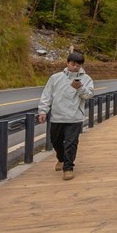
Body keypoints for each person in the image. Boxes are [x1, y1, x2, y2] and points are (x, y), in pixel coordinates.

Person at [37, 51, 94, 180]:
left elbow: (89, 95)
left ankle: (68, 168)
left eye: (78, 65)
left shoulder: (86, 79)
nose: (75, 67)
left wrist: (79, 88)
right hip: (57, 116)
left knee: (71, 143)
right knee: (55, 141)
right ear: (67, 63)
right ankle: (61, 159)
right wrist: (43, 111)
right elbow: (47, 95)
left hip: (74, 117)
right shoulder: (55, 78)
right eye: (73, 64)